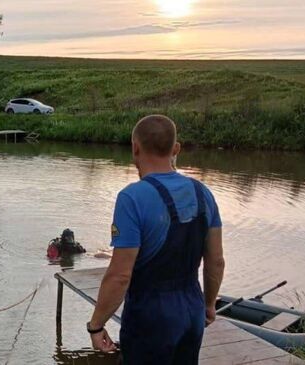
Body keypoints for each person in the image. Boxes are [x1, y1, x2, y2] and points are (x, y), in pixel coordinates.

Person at [87, 115, 225, 364]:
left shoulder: (132, 197)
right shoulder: (203, 193)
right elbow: (216, 262)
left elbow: (120, 275)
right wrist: (208, 305)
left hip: (151, 316)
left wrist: (96, 325)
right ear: (176, 149)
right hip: (192, 310)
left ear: (135, 148)